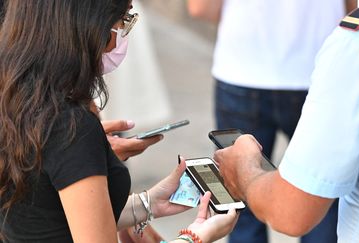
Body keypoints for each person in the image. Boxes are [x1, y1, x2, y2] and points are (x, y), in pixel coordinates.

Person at [0, 1, 238, 242]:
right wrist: (195, 237)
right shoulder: (72, 129)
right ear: (89, 25)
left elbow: (49, 216)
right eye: (123, 21)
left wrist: (149, 203)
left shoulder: (14, 98)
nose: (122, 37)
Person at [214, 0, 359, 242]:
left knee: (252, 217)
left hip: (242, 68)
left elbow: (290, 212)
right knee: (324, 207)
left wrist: (243, 171)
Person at [187, 1, 356, 243]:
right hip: (317, 67)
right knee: (320, 197)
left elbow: (200, 8)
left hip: (242, 67)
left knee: (239, 202)